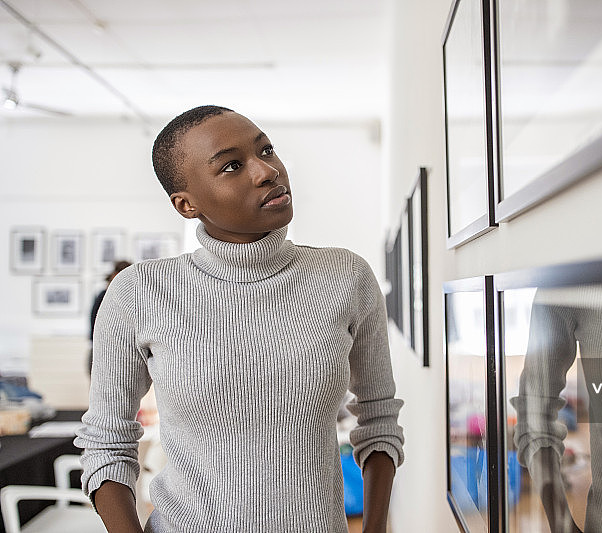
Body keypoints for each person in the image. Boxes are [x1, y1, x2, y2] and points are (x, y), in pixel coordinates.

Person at [74, 105, 404, 533]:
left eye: (266, 149)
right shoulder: (139, 291)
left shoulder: (347, 276)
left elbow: (378, 420)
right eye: (232, 165)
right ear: (186, 204)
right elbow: (106, 443)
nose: (267, 171)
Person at [88, 260, 132, 375]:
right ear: (115, 275)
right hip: (104, 350)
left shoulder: (129, 297)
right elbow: (95, 325)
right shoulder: (104, 296)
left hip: (121, 352)